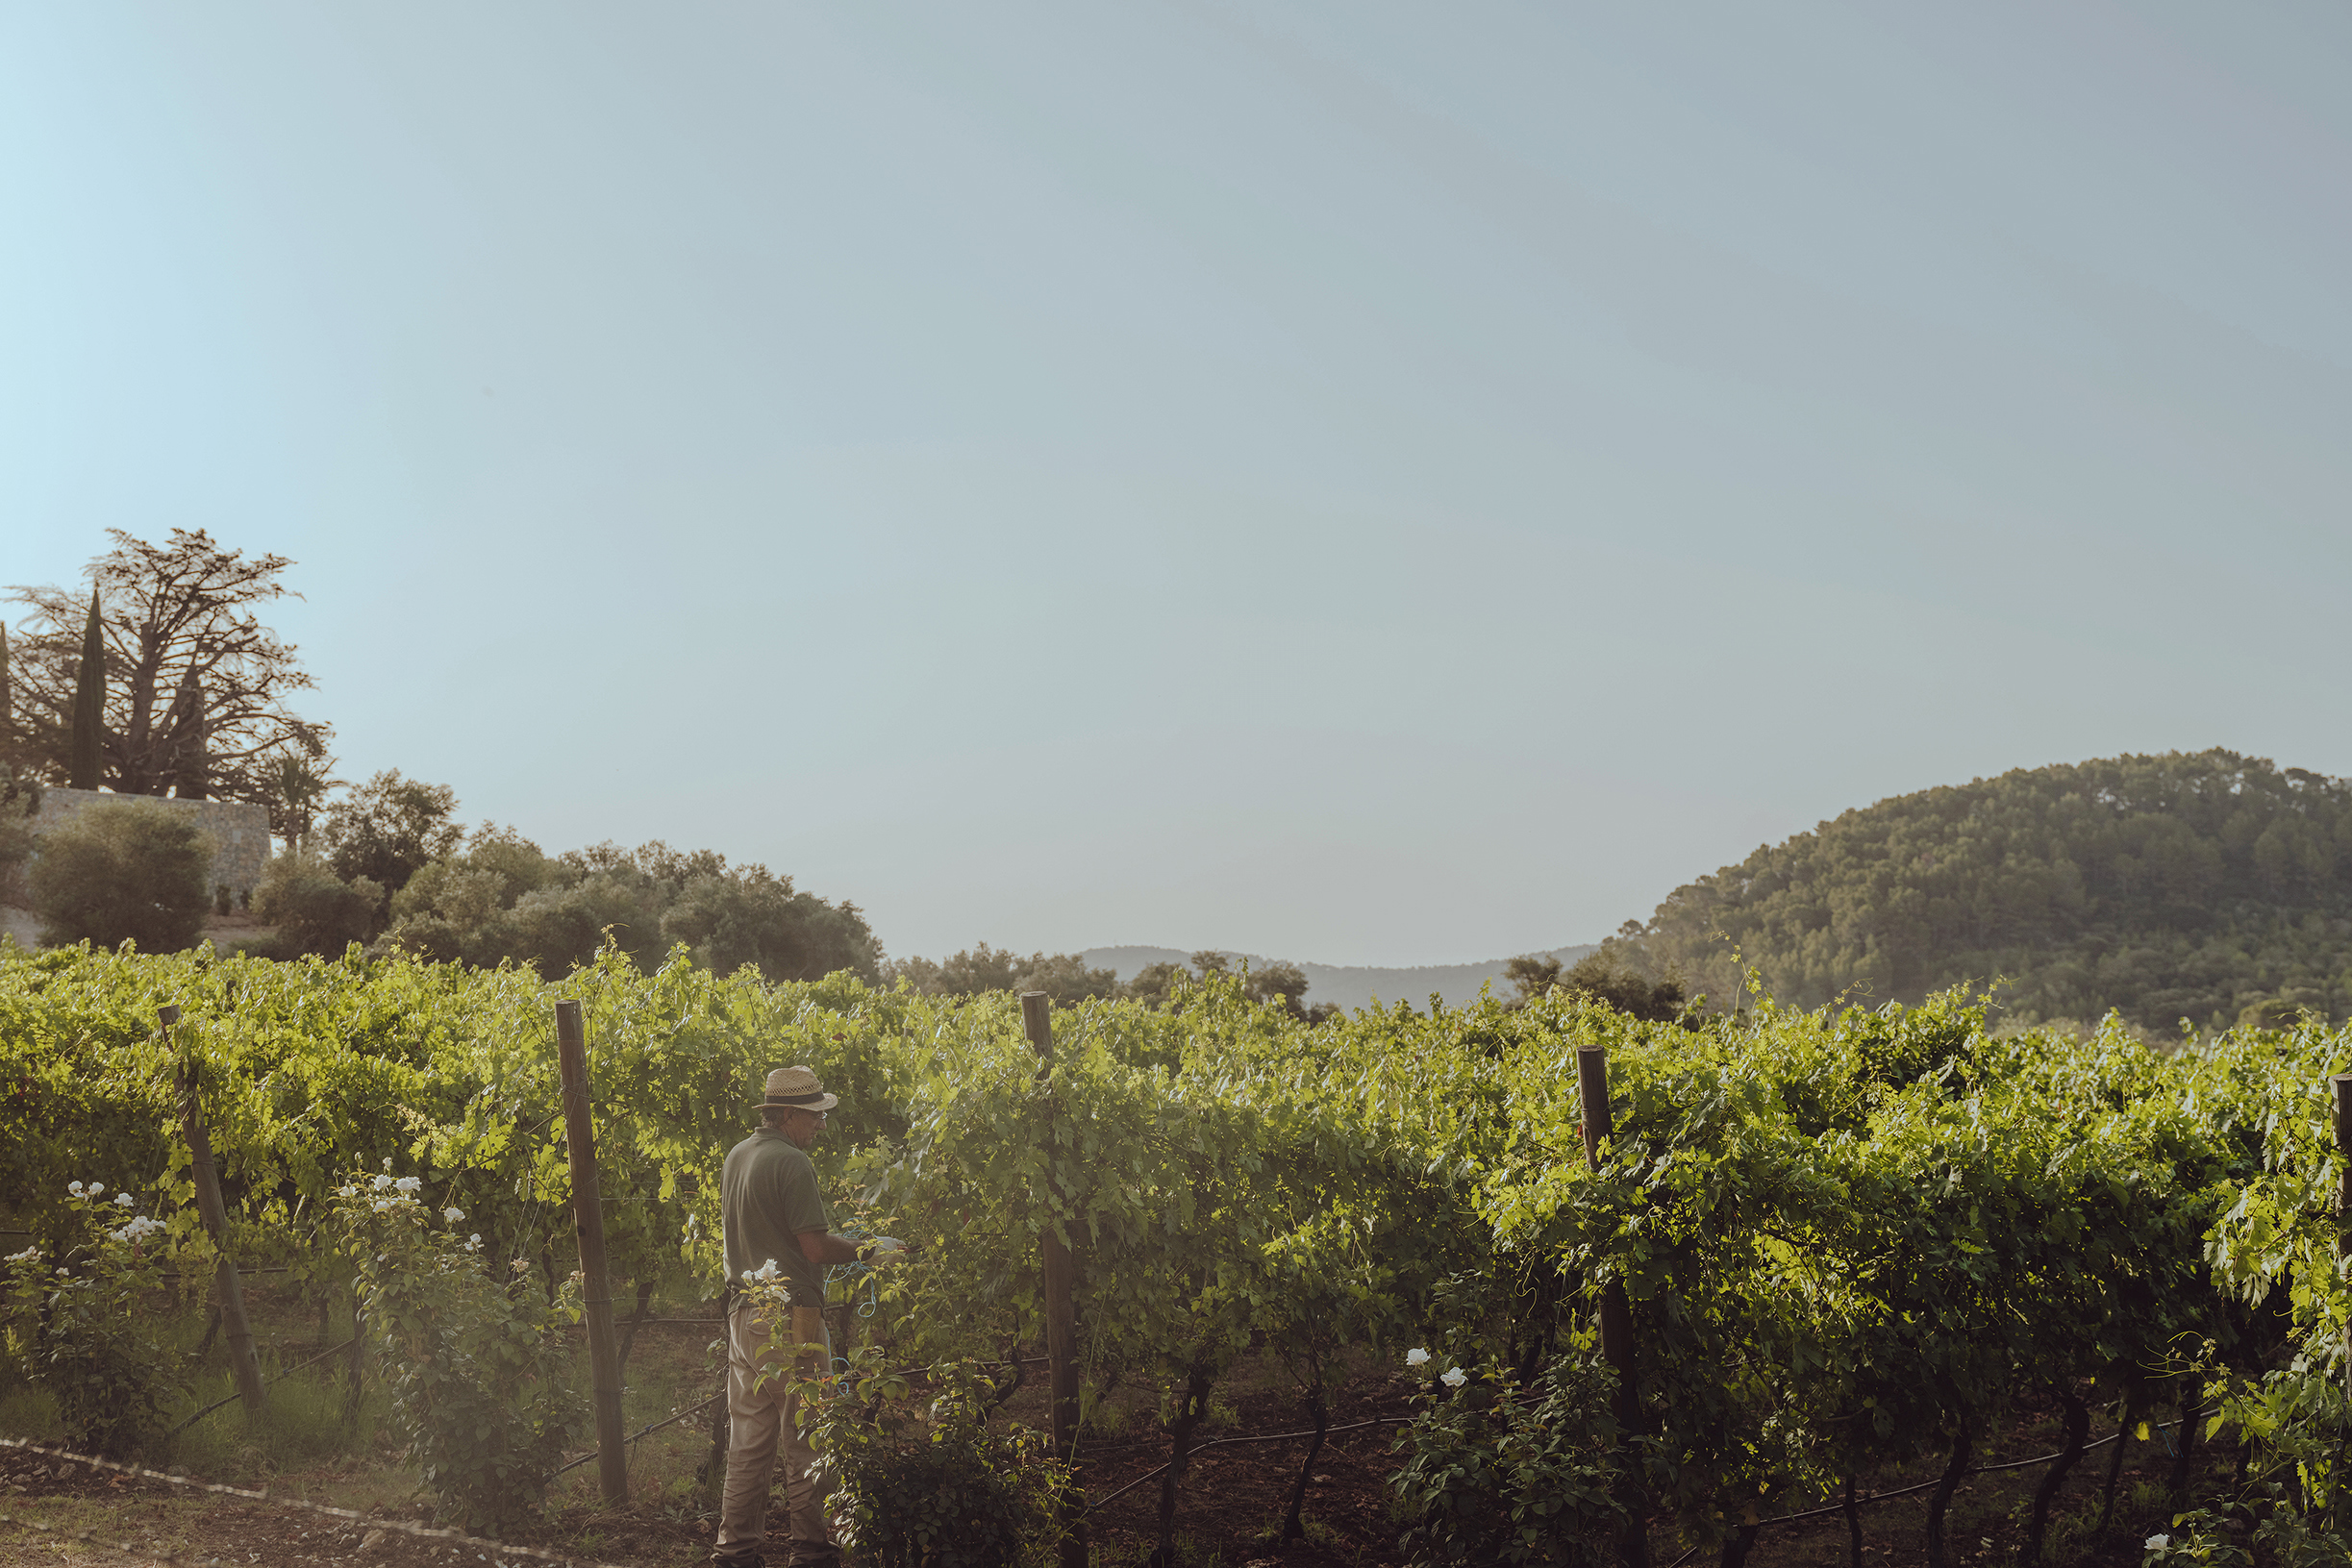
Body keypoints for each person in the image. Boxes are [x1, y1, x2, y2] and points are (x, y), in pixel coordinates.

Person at [713, 1064, 900, 1568]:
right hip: (791, 1317)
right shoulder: (792, 1163)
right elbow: (815, 1248)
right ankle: (813, 1553)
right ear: (789, 1114)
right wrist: (867, 1250)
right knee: (808, 1436)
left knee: (749, 1441)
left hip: (743, 1314)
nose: (822, 1124)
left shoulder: (738, 1156)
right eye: (815, 1115)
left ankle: (735, 1553)